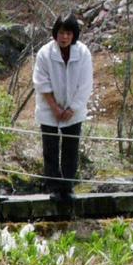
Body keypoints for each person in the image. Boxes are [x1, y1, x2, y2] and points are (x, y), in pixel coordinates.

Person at [33, 13, 93, 202]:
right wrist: (55, 108)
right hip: (49, 109)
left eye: (68, 33)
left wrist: (72, 108)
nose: (64, 37)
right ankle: (53, 187)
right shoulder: (45, 53)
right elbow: (41, 82)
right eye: (61, 32)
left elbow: (86, 84)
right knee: (50, 148)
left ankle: (67, 187)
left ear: (74, 34)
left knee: (71, 148)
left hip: (74, 111)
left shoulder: (83, 53)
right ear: (55, 33)